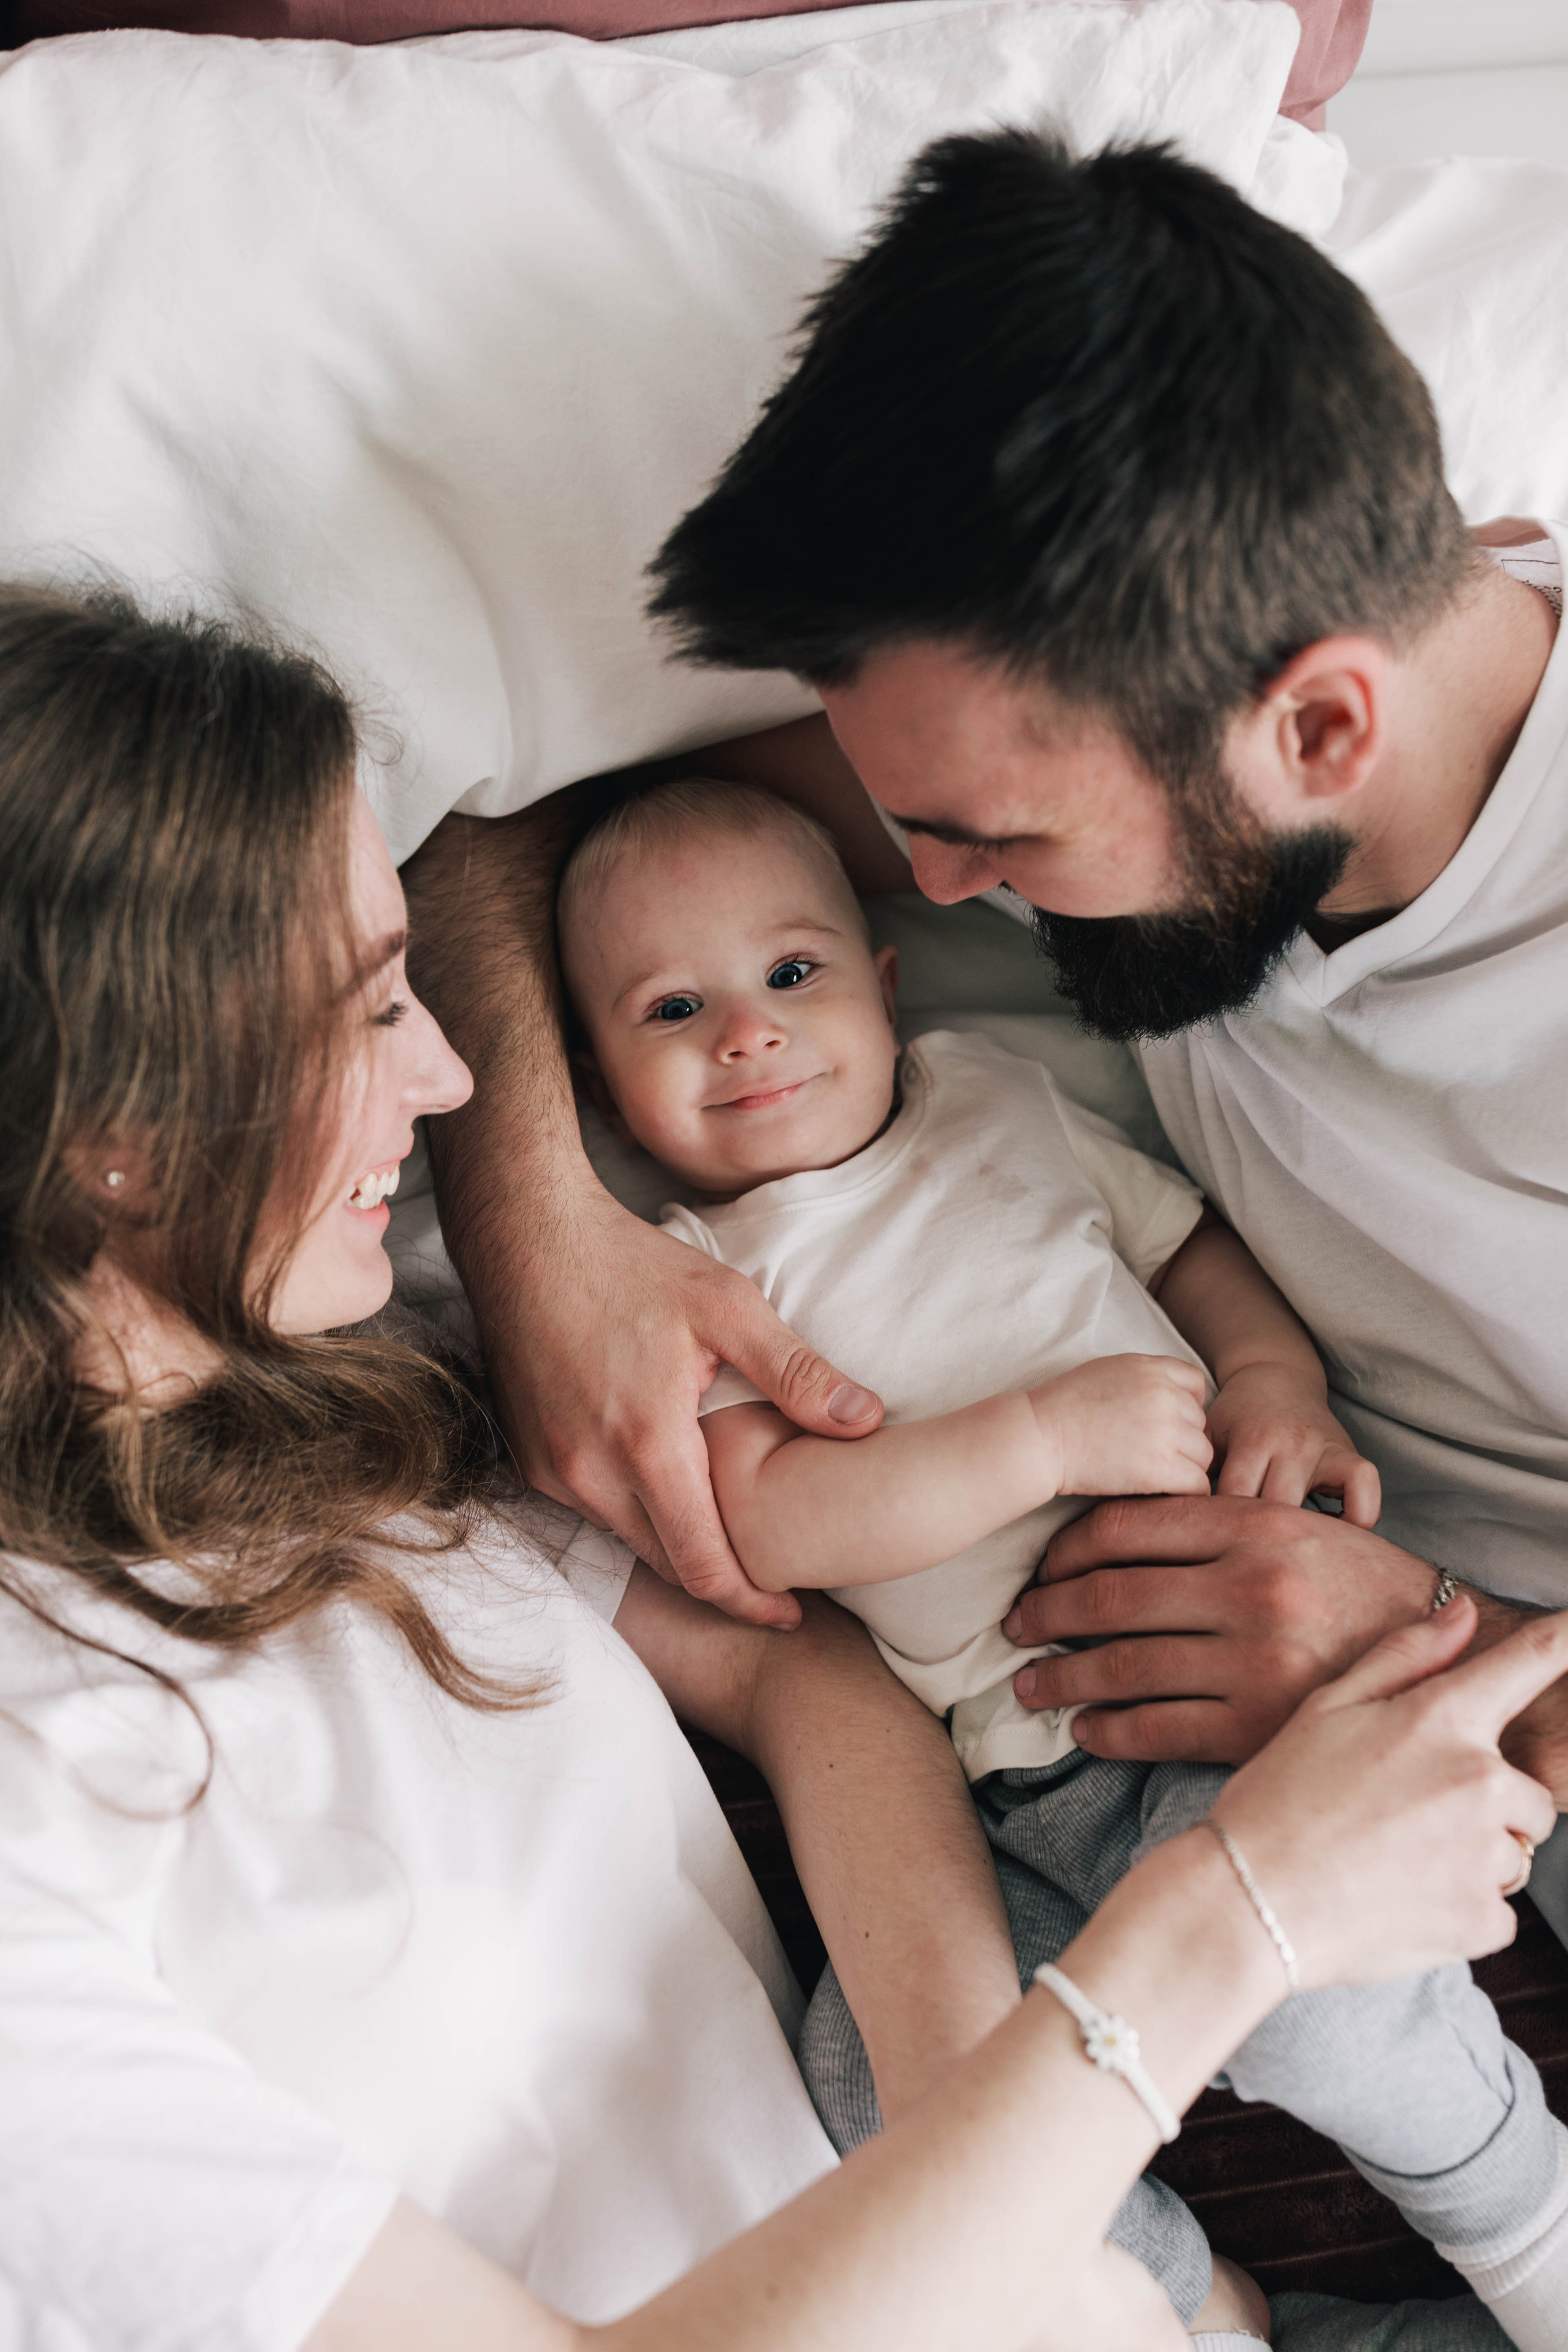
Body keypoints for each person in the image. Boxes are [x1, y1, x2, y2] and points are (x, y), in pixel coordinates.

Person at [1, 591, 1558, 2352]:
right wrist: (1228, 1926)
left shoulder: (343, 1417)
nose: (448, 1082)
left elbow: (798, 1668)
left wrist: (1050, 2231)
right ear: (122, 1139)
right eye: (370, 1018)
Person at [400, 132, 1568, 1840]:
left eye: (999, 841)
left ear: (1321, 727)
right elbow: (517, 842)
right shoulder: (1186, 695)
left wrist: (1443, 1652)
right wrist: (539, 1242)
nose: (937, 885)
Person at [551, 772, 1566, 2348]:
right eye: (673, 1008)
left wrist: (1273, 1389)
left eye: (793, 974)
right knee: (879, 2104)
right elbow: (765, 1520)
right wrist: (1029, 1444)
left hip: (1218, 1730)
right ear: (606, 1093)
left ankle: (1526, 2225)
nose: (745, 1032)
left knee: (1322, 2004)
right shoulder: (695, 1278)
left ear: (886, 993)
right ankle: (1199, 2318)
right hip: (1000, 1799)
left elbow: (1189, 1251)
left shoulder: (998, 1104)